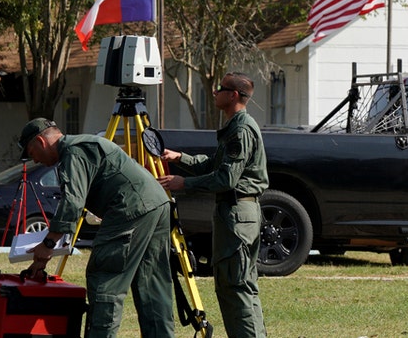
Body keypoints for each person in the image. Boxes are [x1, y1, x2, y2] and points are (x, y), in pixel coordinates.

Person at [17, 118, 175, 338]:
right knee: (151, 284)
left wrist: (48, 244)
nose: (34, 159)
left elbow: (72, 202)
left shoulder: (73, 152)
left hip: (130, 209)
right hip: (156, 203)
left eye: (31, 152)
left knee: (105, 278)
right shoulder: (83, 144)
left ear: (41, 142)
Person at [157, 72, 268, 338]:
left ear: (234, 96)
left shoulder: (241, 130)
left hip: (237, 215)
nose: (215, 92)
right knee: (241, 285)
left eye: (221, 89)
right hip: (238, 214)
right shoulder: (236, 126)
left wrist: (185, 184)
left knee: (235, 287)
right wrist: (180, 157)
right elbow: (214, 165)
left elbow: (226, 178)